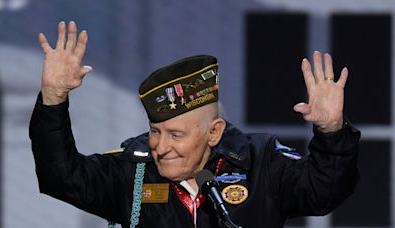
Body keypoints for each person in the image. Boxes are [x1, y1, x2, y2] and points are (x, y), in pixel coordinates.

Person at [29, 21, 360, 228]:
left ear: (213, 132)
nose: (161, 146)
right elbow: (61, 177)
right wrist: (52, 99)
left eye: (175, 134)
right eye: (156, 131)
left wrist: (332, 132)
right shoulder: (133, 170)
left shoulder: (262, 162)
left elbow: (325, 192)